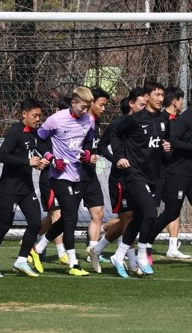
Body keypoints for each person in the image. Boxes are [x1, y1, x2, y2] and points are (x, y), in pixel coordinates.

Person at [108, 81, 170, 278]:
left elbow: (162, 143)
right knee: (151, 213)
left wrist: (166, 148)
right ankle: (143, 253)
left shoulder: (164, 119)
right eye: (157, 94)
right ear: (147, 96)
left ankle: (118, 256)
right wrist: (119, 156)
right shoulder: (134, 119)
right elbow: (114, 133)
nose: (161, 98)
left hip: (153, 175)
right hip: (134, 174)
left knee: (140, 217)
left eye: (163, 95)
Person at [147, 83, 192, 266]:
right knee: (171, 212)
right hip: (177, 173)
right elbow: (173, 140)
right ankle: (146, 242)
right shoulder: (185, 118)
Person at [33, 86, 95, 277]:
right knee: (71, 218)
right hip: (59, 176)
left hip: (78, 175)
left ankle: (36, 249)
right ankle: (73, 264)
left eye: (87, 107)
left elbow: (88, 142)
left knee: (67, 217)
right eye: (82, 107)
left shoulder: (89, 120)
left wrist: (87, 153)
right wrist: (52, 158)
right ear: (73, 103)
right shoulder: (56, 120)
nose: (84, 111)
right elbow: (39, 140)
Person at [0, 98, 48, 278]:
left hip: (26, 188)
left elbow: (31, 154)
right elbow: (2, 156)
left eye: (39, 116)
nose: (38, 119)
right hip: (9, 188)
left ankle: (21, 260)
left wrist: (38, 163)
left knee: (35, 223)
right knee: (4, 226)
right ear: (24, 114)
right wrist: (27, 161)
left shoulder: (34, 134)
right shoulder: (15, 131)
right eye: (35, 115)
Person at [87, 88, 147, 275]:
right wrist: (116, 161)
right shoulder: (119, 124)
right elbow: (102, 146)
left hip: (140, 176)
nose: (145, 109)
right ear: (131, 104)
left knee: (131, 219)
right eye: (142, 105)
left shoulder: (148, 124)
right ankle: (132, 261)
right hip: (121, 178)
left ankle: (97, 249)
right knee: (128, 218)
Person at [149, 86, 190, 261]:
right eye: (182, 99)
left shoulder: (180, 121)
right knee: (152, 209)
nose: (183, 103)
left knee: (174, 208)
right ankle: (143, 245)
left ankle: (173, 246)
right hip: (157, 172)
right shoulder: (158, 119)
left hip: (174, 172)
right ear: (175, 101)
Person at [34, 97, 71, 265]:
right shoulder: (47, 128)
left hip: (66, 177)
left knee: (55, 215)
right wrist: (45, 159)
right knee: (57, 213)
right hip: (49, 178)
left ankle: (31, 238)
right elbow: (36, 144)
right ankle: (61, 252)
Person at [83, 87, 110, 264]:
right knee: (60, 215)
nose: (104, 108)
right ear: (91, 103)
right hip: (73, 174)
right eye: (101, 104)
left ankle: (93, 250)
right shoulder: (81, 122)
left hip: (89, 174)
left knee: (98, 213)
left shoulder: (97, 123)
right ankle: (38, 244)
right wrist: (85, 156)